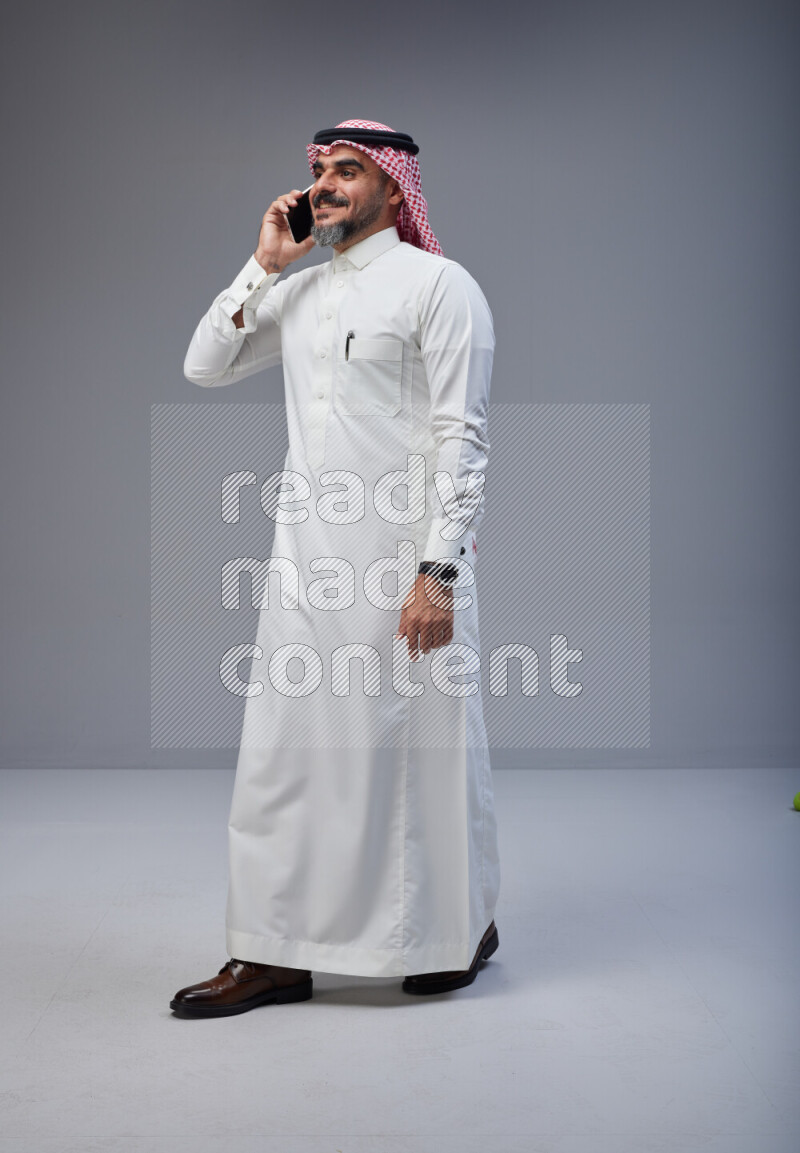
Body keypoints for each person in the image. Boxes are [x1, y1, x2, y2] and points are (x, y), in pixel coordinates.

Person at [171, 119, 501, 1018]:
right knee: (285, 756)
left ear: (395, 189)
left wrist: (441, 573)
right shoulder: (302, 291)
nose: (324, 185)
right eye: (318, 170)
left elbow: (461, 440)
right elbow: (205, 365)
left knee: (417, 755)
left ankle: (453, 928)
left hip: (406, 566)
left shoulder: (441, 286)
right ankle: (271, 951)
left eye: (347, 171)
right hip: (306, 567)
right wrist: (264, 265)